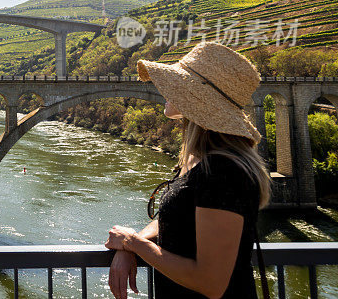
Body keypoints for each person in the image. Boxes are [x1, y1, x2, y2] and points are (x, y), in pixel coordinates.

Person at [105, 41, 271, 299]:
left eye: (176, 85)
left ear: (196, 101)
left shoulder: (221, 171)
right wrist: (132, 244)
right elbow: (175, 219)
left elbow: (211, 283)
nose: (166, 90)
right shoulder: (199, 161)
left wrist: (132, 243)